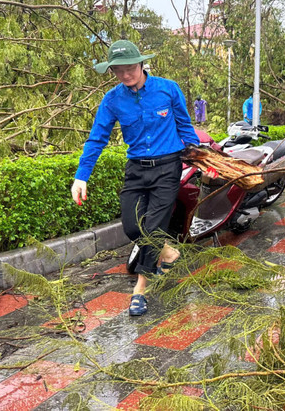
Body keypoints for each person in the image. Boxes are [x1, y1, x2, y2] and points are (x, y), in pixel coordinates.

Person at [70, 40, 202, 317]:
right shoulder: (113, 99)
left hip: (168, 167)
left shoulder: (168, 88)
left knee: (153, 229)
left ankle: (139, 290)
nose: (125, 74)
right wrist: (81, 177)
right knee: (132, 227)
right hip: (136, 169)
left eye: (130, 67)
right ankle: (169, 254)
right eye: (118, 70)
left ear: (142, 64)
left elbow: (184, 126)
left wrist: (200, 157)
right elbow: (97, 139)